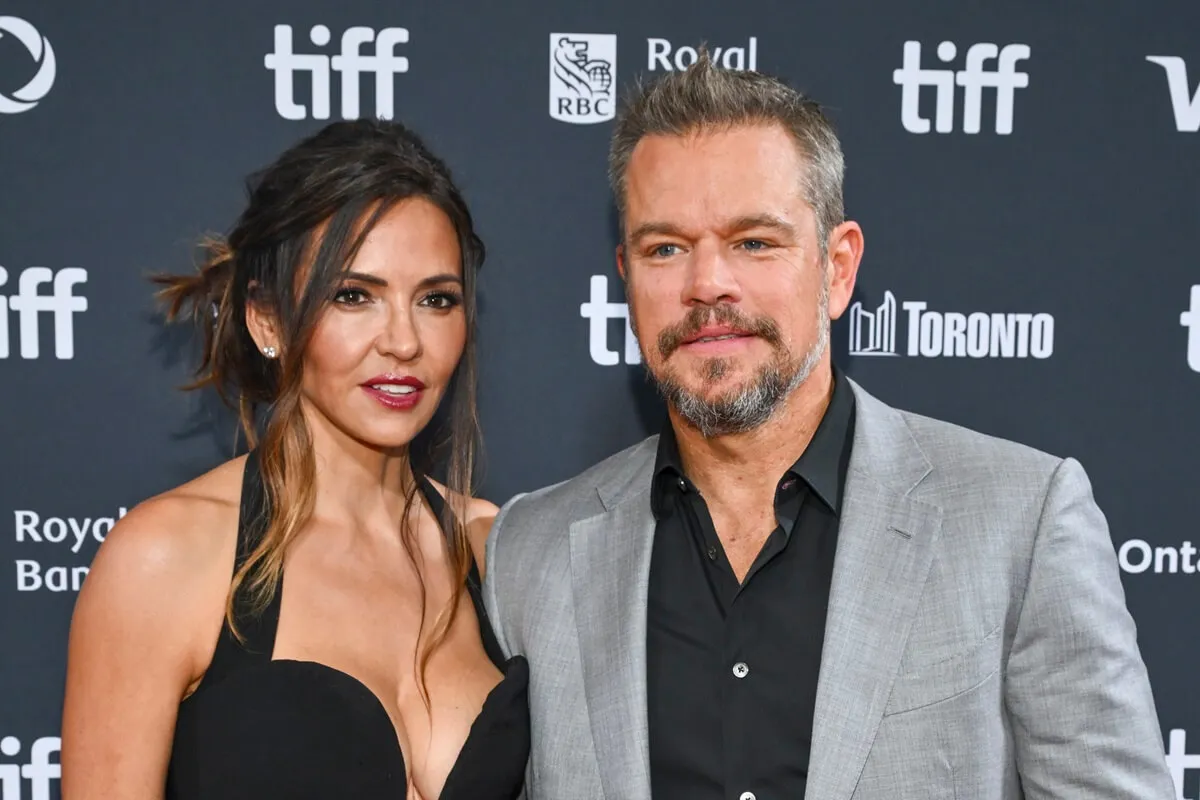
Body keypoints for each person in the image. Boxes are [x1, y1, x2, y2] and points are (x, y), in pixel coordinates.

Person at [482, 52, 1175, 800]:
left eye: (753, 241)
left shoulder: (1021, 522)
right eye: (666, 249)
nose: (706, 282)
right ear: (627, 277)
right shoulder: (533, 554)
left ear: (838, 269)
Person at [60, 119, 529, 800]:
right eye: (353, 295)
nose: (403, 340)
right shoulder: (169, 557)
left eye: (435, 299)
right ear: (268, 320)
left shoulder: (495, 552)